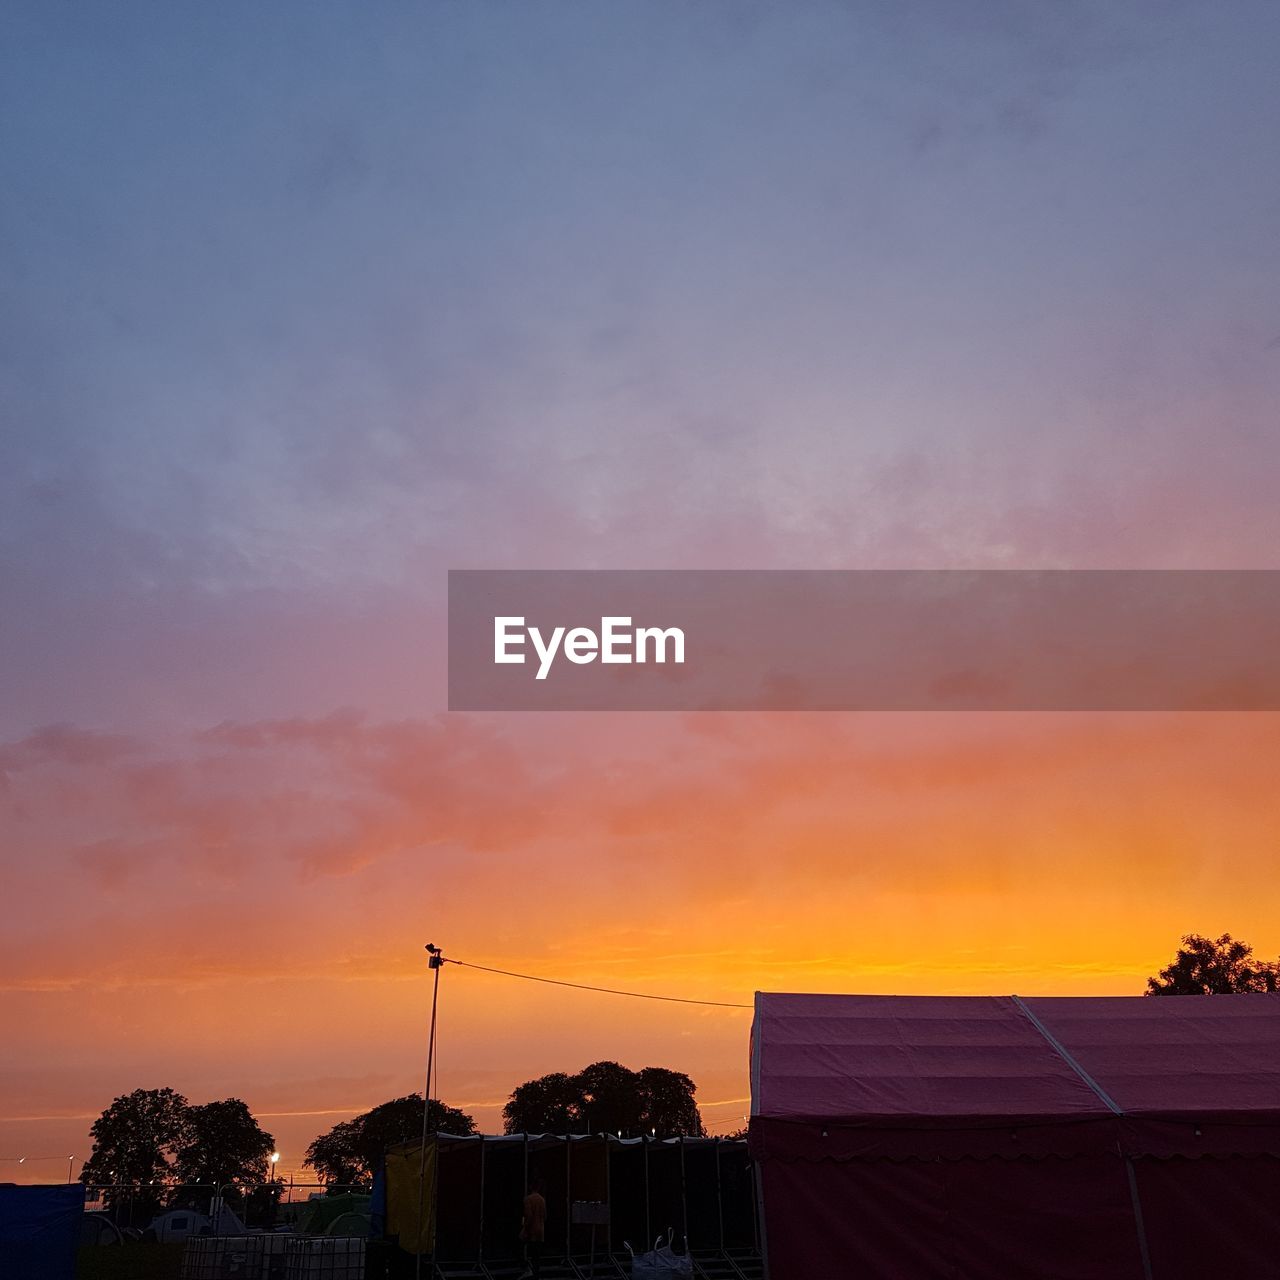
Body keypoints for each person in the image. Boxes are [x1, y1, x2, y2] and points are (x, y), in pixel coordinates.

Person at [519, 1176, 547, 1280]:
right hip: (540, 1230)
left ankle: (526, 1268)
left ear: (530, 1187)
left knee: (519, 1248)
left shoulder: (528, 1199)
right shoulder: (542, 1200)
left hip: (531, 1230)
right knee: (536, 1255)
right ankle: (536, 1275)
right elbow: (545, 1216)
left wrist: (525, 1228)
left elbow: (529, 1216)